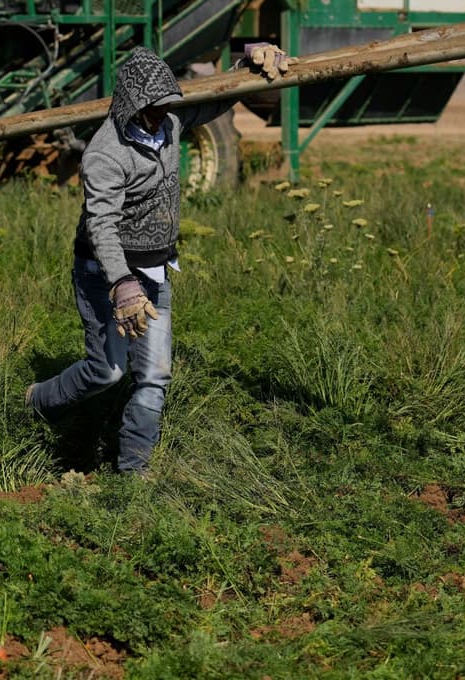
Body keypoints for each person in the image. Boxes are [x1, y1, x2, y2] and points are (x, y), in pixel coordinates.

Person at [25, 43, 290, 474]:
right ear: (131, 105)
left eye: (165, 107)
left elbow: (217, 99)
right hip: (103, 275)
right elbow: (102, 227)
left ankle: (133, 473)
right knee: (107, 372)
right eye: (150, 109)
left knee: (154, 376)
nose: (158, 116)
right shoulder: (105, 154)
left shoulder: (169, 121)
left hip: (154, 272)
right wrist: (122, 285)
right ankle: (39, 401)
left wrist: (249, 65)